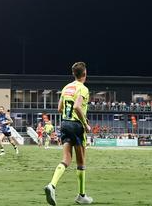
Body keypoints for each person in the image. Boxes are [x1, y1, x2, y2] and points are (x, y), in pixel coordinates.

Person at [44, 62, 93, 205]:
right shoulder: (83, 89)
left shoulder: (66, 87)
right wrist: (85, 123)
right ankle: (81, 195)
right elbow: (77, 106)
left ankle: (52, 185)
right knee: (81, 161)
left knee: (66, 159)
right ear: (84, 74)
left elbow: (60, 108)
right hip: (76, 126)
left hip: (64, 123)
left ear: (73, 74)